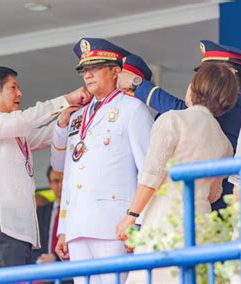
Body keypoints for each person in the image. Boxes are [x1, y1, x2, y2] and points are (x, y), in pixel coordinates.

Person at [116, 63, 238, 283]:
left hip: (165, 218)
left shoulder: (173, 119)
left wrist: (130, 216)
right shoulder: (224, 142)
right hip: (201, 224)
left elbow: (151, 174)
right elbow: (213, 193)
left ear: (194, 87)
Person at [0, 66, 92, 270]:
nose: (20, 93)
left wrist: (73, 116)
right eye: (13, 87)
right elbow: (24, 120)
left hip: (16, 232)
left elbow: (46, 135)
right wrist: (67, 100)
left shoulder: (13, 132)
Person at [51, 38, 154, 284]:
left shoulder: (134, 109)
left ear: (116, 71)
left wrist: (138, 222)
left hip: (115, 225)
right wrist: (64, 228)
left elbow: (149, 170)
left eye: (95, 68)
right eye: (84, 70)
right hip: (78, 225)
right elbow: (65, 169)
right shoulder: (77, 116)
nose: (88, 75)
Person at [117, 40, 241, 211]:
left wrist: (139, 84)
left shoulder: (236, 105)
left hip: (218, 206)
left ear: (229, 74)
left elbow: (188, 115)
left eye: (207, 75)